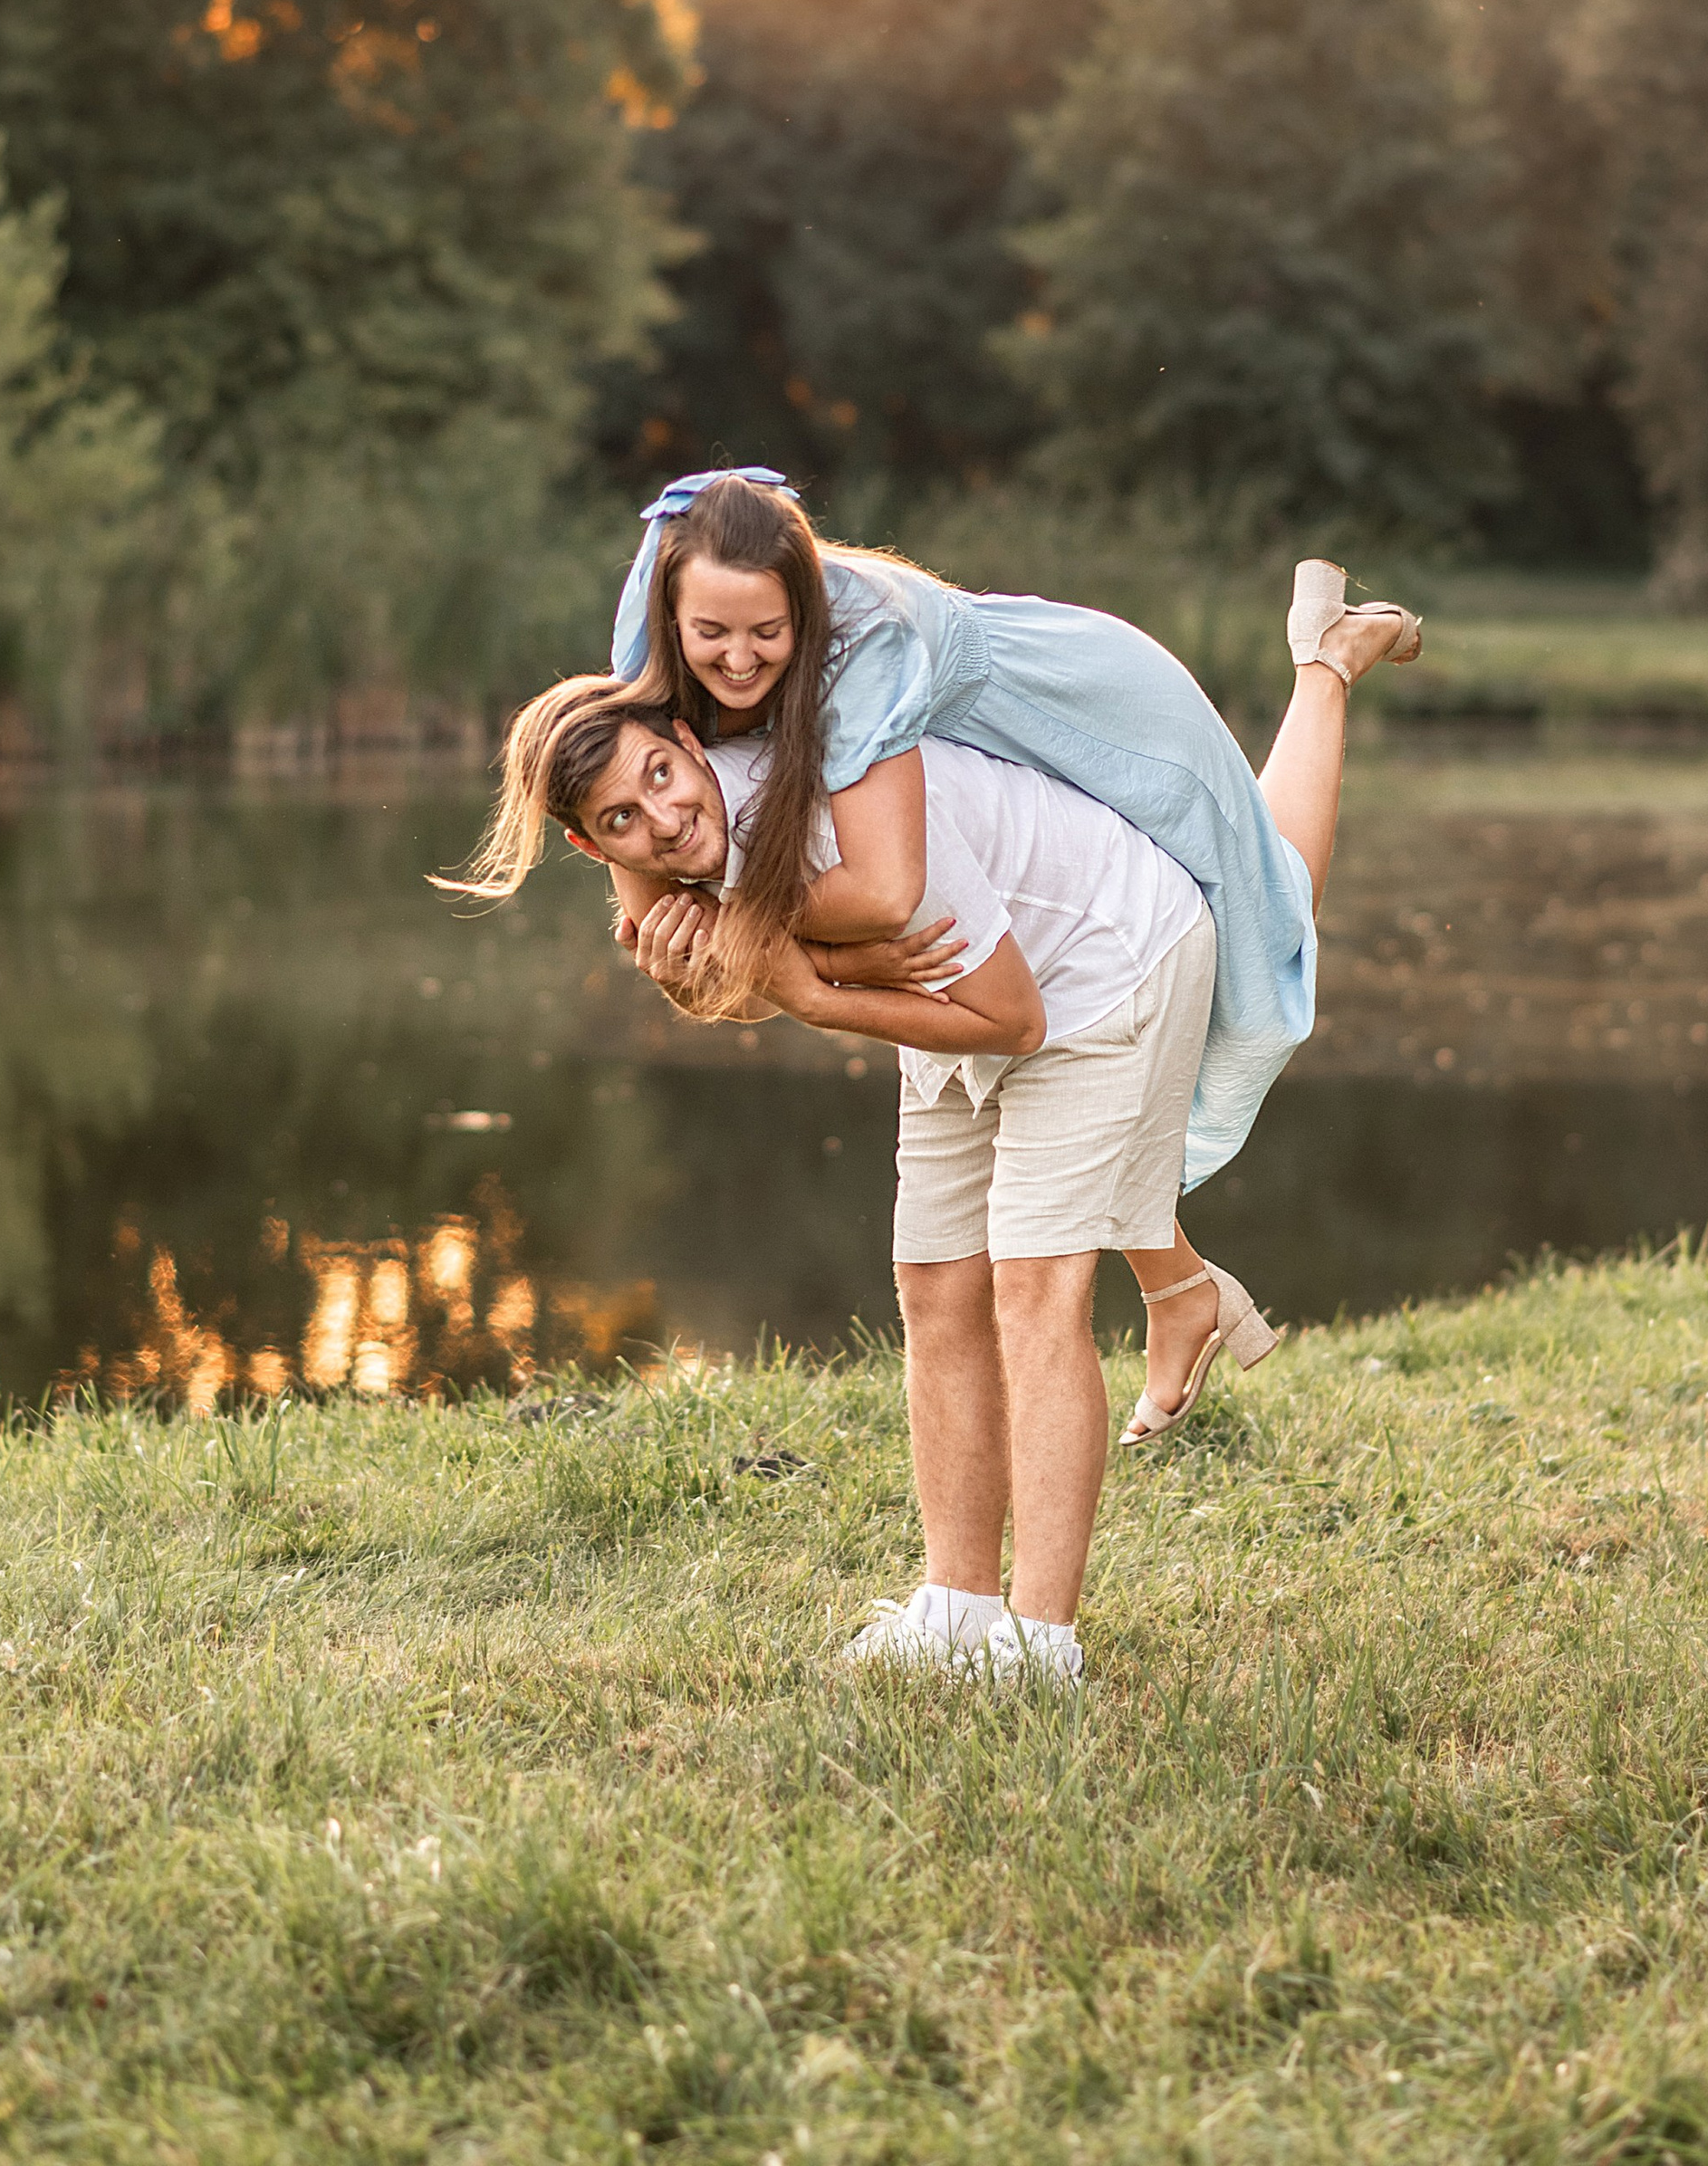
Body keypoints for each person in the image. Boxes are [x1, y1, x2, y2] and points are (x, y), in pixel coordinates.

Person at [485, 676, 1282, 1689]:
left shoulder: (819, 817)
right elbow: (769, 973)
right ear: (593, 850)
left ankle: (1041, 1647)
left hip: (1099, 965)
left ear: (689, 740)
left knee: (1035, 1290)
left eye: (661, 774)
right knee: (934, 1282)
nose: (664, 817)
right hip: (960, 987)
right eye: (623, 821)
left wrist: (821, 998)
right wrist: (738, 970)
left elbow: (1014, 1022)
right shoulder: (682, 855)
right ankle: (956, 1604)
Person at [581, 469, 1419, 1426]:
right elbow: (693, 952)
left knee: (1265, 911)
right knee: (1071, 989)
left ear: (804, 605)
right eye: (711, 636)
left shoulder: (866, 646)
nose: (735, 662)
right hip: (964, 773)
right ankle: (1181, 1290)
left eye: (767, 634)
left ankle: (1326, 659)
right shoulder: (640, 672)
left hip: (1074, 705)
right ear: (668, 611)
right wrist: (717, 958)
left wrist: (808, 971)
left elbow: (880, 896)